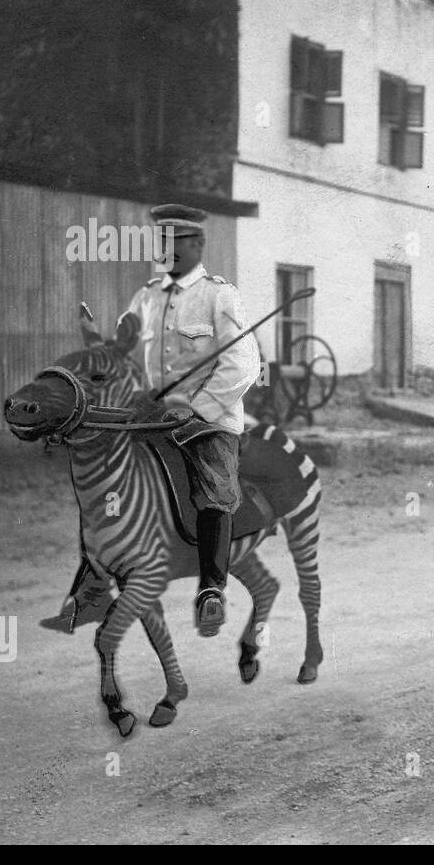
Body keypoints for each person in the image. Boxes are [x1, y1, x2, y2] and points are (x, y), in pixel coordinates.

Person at [126, 204, 262, 636]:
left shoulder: (219, 295)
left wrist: (199, 411)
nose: (166, 253)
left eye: (176, 244)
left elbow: (243, 363)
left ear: (198, 245)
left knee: (213, 488)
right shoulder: (146, 297)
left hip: (210, 419)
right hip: (155, 416)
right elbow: (130, 356)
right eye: (160, 244)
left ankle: (211, 590)